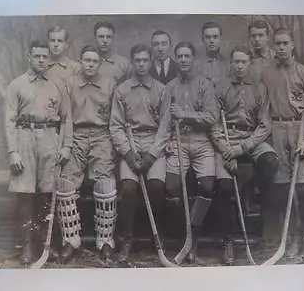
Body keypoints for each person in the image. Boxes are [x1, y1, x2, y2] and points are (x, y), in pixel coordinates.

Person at [4, 40, 73, 266]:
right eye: (37, 56)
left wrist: (66, 146)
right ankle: (25, 246)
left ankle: (46, 243)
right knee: (24, 194)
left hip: (49, 139)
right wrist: (13, 151)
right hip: (24, 138)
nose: (42, 60)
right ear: (29, 57)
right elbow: (9, 121)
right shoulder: (16, 85)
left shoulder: (57, 85)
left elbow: (66, 118)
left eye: (45, 56)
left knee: (46, 194)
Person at [211, 45, 279, 265]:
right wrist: (225, 148)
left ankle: (252, 189)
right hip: (227, 141)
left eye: (244, 62)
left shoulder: (260, 89)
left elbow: (264, 126)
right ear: (231, 63)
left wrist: (243, 148)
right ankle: (227, 241)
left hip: (251, 140)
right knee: (223, 185)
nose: (240, 66)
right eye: (236, 62)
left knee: (270, 161)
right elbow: (213, 126)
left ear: (250, 64)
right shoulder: (220, 88)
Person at [151, 41, 217, 264]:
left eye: (187, 56)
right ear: (175, 59)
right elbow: (165, 121)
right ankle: (184, 237)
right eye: (179, 56)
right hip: (178, 142)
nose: (183, 60)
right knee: (171, 187)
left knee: (207, 186)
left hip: (201, 142)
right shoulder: (170, 86)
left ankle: (194, 238)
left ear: (194, 58)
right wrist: (162, 144)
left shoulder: (205, 85)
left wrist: (185, 114)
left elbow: (211, 117)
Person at [261, 28, 304, 262]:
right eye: (277, 43)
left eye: (285, 43)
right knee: (280, 189)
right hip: (276, 131)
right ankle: (285, 240)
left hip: (300, 129)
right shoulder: (266, 74)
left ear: (293, 45)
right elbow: (263, 107)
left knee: (303, 190)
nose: (281, 47)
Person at [110, 44, 166, 262]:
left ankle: (155, 238)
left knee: (156, 187)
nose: (141, 64)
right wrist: (128, 153)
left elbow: (165, 127)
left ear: (151, 62)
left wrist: (152, 155)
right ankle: (126, 240)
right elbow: (115, 125)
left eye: (145, 60)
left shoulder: (161, 89)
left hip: (154, 143)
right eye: (137, 60)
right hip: (131, 143)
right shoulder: (122, 89)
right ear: (132, 62)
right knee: (129, 188)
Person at [61, 44, 117, 262]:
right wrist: (67, 142)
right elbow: (65, 116)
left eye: (94, 61)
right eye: (86, 60)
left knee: (105, 185)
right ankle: (70, 240)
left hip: (102, 136)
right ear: (80, 61)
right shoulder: (70, 84)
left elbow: (115, 117)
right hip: (76, 135)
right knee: (65, 184)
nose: (90, 64)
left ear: (99, 63)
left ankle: (105, 240)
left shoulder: (110, 84)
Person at [197, 22, 229, 87]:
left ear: (220, 38)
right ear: (203, 40)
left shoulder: (228, 65)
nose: (211, 41)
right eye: (208, 37)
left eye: (215, 37)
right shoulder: (196, 65)